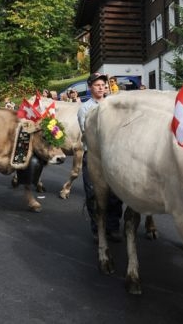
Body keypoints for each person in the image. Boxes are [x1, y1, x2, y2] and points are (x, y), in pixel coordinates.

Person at [78, 73, 123, 242]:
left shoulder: (112, 105)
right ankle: (97, 228)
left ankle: (113, 227)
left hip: (112, 155)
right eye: (97, 85)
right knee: (93, 194)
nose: (101, 87)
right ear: (90, 87)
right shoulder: (85, 108)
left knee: (115, 193)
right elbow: (87, 133)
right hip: (94, 155)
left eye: (103, 85)